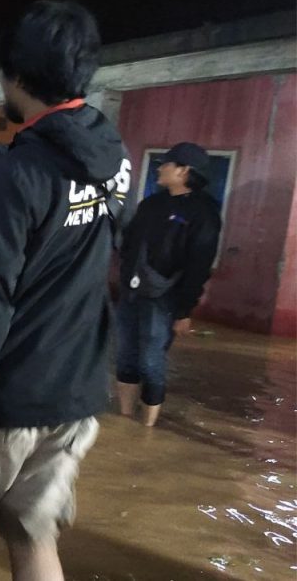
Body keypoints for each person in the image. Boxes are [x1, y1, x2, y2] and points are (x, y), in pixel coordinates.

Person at [0, 0, 131, 581]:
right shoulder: (110, 154)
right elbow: (58, 201)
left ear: (16, 76)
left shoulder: (12, 182)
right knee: (34, 537)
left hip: (5, 398)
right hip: (77, 390)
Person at [116, 142, 221, 427]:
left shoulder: (203, 212)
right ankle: (126, 420)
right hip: (131, 293)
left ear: (184, 171)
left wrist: (184, 310)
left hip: (165, 298)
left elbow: (199, 263)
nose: (160, 168)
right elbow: (129, 243)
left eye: (167, 164)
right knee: (124, 355)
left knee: (151, 361)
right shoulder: (152, 203)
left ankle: (147, 427)